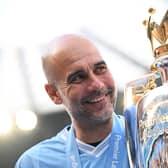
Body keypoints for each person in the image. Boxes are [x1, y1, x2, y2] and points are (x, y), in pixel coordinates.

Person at [15, 34, 130, 168]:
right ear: (54, 94)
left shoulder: (146, 138)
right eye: (78, 78)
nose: (97, 85)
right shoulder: (35, 163)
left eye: (100, 69)